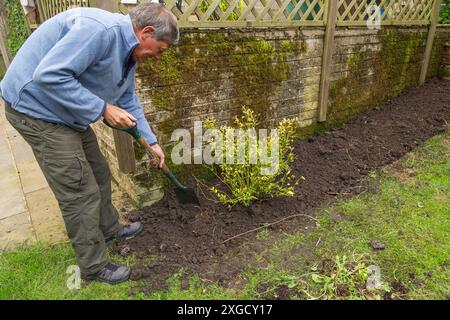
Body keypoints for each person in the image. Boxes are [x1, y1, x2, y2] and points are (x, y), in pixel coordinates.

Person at [0, 2, 179, 285]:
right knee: (78, 188)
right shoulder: (98, 31)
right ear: (146, 32)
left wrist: (152, 142)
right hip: (35, 110)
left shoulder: (127, 51)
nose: (158, 57)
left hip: (63, 111)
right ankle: (93, 267)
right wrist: (102, 108)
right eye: (160, 48)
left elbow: (127, 98)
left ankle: (109, 230)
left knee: (98, 171)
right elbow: (48, 75)